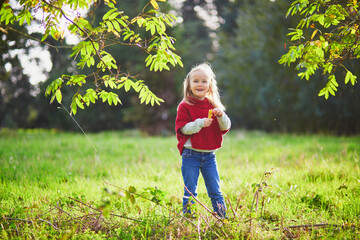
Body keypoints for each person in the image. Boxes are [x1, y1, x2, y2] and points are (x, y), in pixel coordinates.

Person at [175, 63, 231, 218]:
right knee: (190, 191)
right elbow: (183, 128)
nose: (200, 84)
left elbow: (225, 127)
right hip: (190, 155)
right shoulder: (185, 105)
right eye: (196, 81)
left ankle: (222, 218)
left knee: (215, 190)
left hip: (209, 156)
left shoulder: (213, 104)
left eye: (204, 81)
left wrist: (221, 116)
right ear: (189, 85)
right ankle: (189, 220)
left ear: (210, 85)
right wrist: (199, 123)